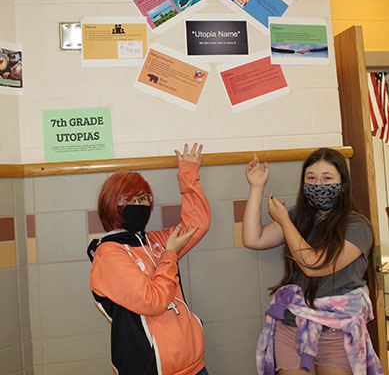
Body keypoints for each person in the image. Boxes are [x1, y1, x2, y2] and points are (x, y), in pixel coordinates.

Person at [242, 148, 384, 375]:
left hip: (338, 331)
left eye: (327, 178)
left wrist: (285, 222)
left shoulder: (357, 226)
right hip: (291, 326)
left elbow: (315, 266)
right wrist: (256, 187)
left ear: (342, 185)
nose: (318, 184)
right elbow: (252, 238)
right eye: (311, 178)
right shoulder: (298, 217)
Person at [87, 143, 211, 375]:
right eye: (129, 199)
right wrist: (170, 254)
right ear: (111, 204)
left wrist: (188, 173)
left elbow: (196, 225)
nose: (138, 205)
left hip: (194, 365)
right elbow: (152, 302)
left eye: (144, 199)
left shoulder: (154, 241)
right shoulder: (109, 254)